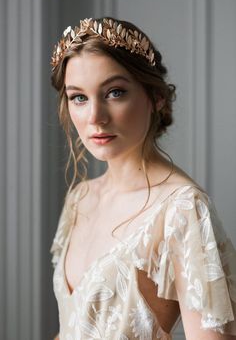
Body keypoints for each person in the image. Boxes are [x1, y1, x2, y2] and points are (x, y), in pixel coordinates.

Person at [50, 17, 236, 340]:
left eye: (115, 92)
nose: (94, 117)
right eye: (78, 97)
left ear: (155, 97)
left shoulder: (182, 209)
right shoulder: (80, 198)